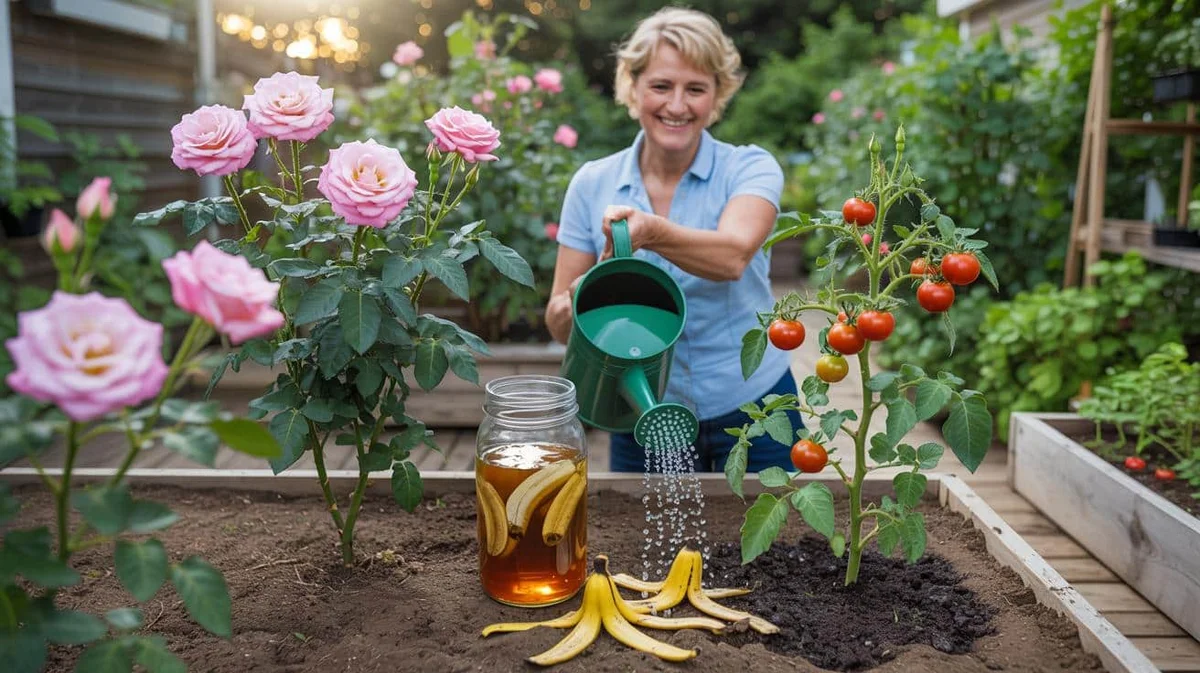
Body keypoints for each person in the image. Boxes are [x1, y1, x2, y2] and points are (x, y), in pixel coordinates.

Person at [544, 7, 802, 473]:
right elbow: (558, 323)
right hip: (641, 412)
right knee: (646, 547)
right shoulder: (591, 183)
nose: (677, 106)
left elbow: (734, 255)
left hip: (755, 407)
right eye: (661, 86)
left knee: (778, 544)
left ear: (717, 94)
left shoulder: (749, 168)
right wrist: (587, 295)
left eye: (696, 89)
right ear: (633, 86)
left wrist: (653, 233)